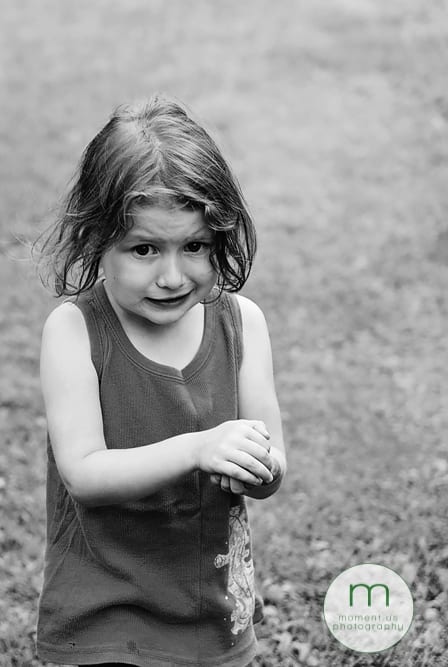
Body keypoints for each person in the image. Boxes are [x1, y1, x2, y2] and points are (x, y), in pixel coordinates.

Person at [33, 95, 287, 667]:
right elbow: (85, 474)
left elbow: (272, 463)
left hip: (209, 606)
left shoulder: (242, 324)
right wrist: (198, 448)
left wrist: (257, 466)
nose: (172, 276)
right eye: (144, 249)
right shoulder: (74, 331)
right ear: (97, 241)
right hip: (104, 610)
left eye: (194, 247)